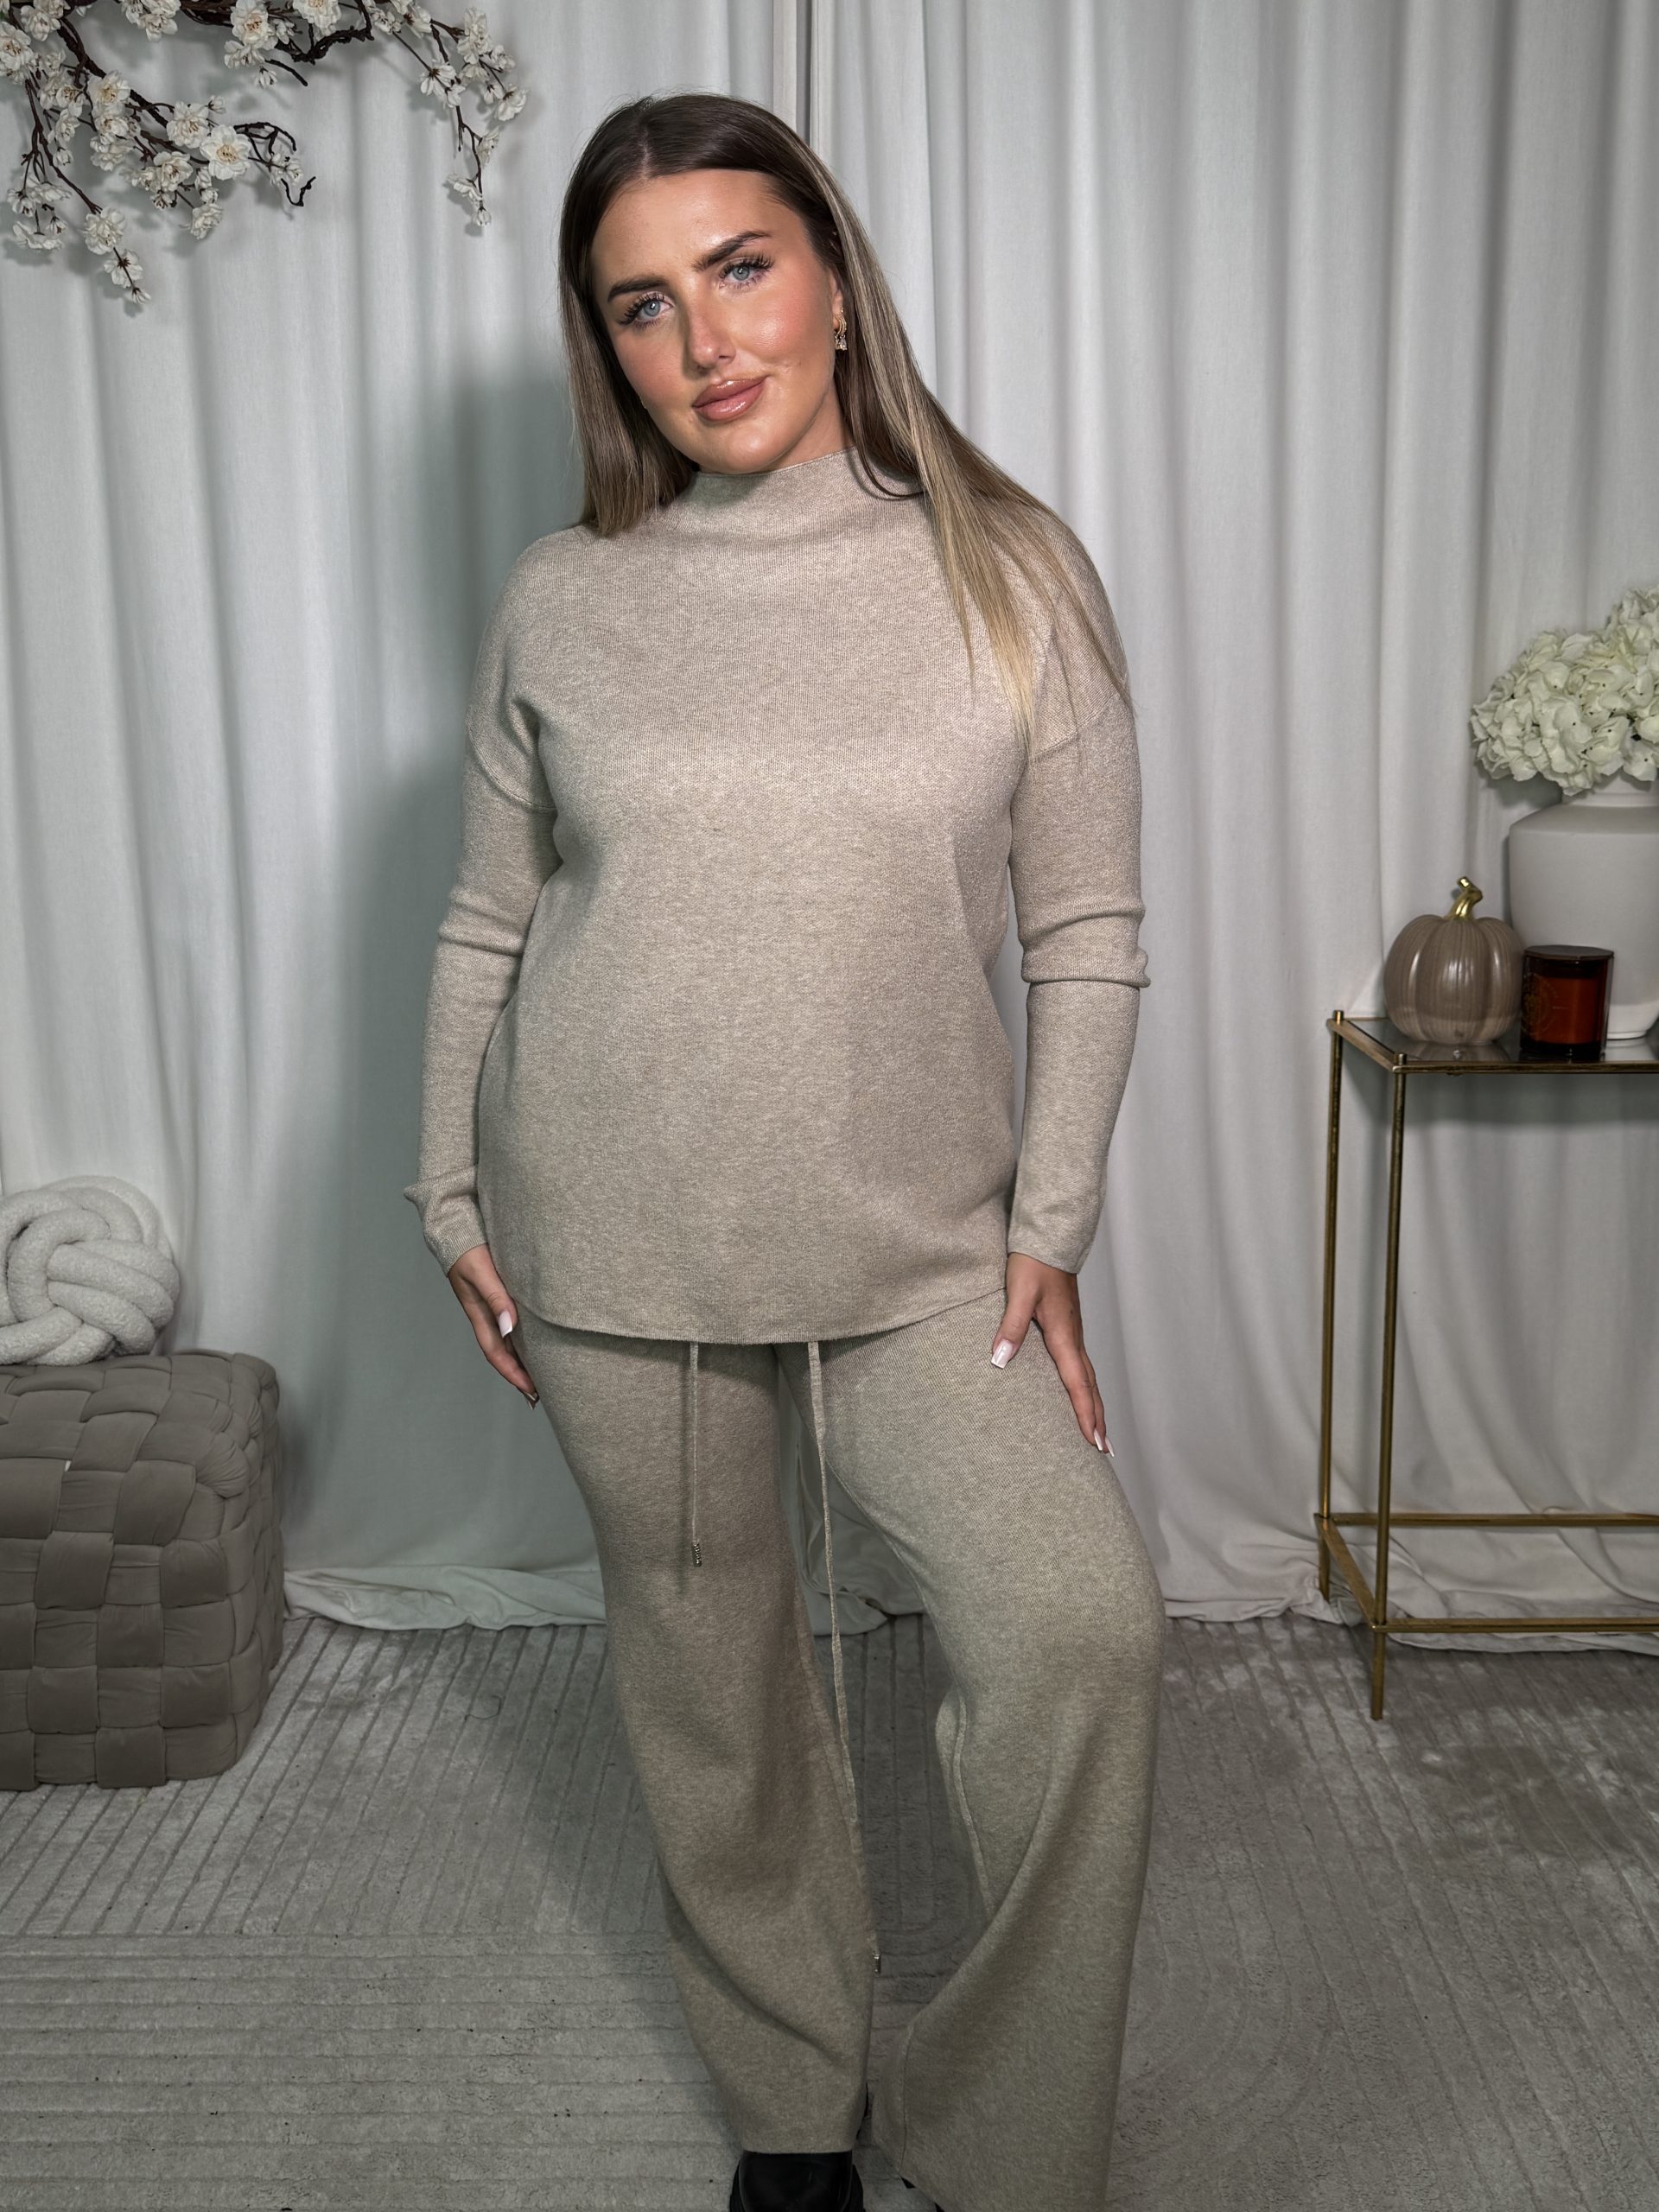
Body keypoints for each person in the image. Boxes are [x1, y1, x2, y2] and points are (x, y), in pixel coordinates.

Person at [404, 88, 1166, 2212]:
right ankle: (793, 2111)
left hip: (923, 1251)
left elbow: (1088, 932)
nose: (704, 338)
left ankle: (1003, 2129)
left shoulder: (1009, 570)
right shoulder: (567, 596)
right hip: (611, 1231)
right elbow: (487, 915)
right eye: (640, 303)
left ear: (832, 277)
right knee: (713, 1691)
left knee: (1080, 1630)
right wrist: (444, 1189)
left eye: (739, 267)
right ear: (605, 345)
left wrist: (1049, 1224)